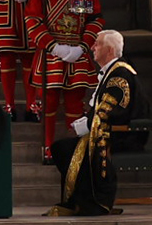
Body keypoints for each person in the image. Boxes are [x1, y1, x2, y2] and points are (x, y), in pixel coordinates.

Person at [57, 28, 138, 213]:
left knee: (64, 147)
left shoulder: (120, 75)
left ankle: (93, 202)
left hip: (123, 135)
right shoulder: (112, 71)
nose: (93, 47)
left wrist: (85, 126)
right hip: (107, 129)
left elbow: (109, 112)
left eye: (98, 44)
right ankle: (82, 201)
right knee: (62, 146)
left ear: (110, 50)